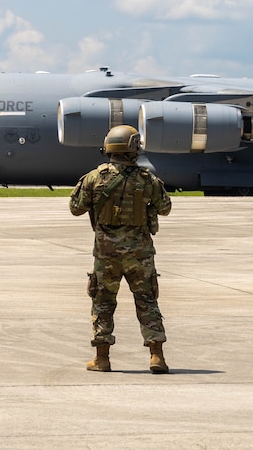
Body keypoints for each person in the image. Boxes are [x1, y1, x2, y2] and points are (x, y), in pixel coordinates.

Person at [69, 125, 173, 374]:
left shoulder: (94, 178)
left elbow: (75, 207)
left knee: (103, 302)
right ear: (133, 148)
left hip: (106, 255)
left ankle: (102, 358)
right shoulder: (147, 179)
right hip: (140, 255)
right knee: (147, 301)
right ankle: (156, 356)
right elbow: (165, 207)